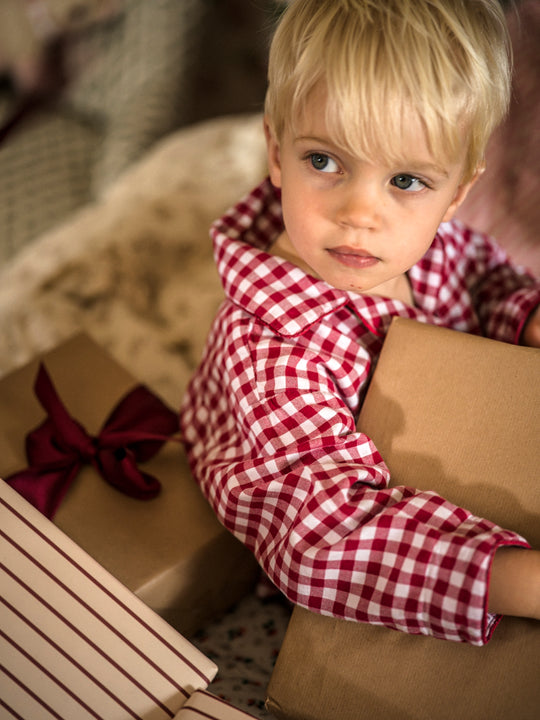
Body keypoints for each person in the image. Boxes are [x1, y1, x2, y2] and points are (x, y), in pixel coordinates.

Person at [181, 0, 540, 645]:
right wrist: (515, 580)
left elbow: (489, 283)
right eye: (324, 161)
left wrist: (527, 319)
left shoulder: (436, 245)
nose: (359, 214)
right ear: (275, 149)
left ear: (457, 193)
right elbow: (321, 538)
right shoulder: (274, 350)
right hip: (343, 552)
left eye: (405, 179)